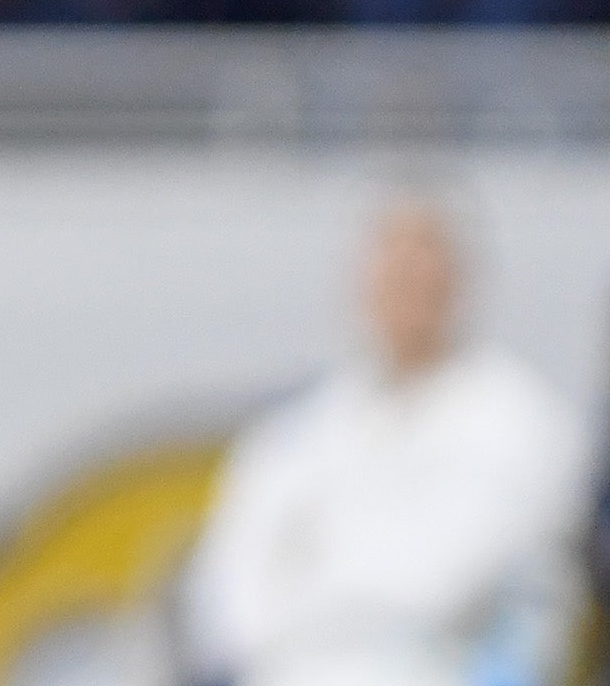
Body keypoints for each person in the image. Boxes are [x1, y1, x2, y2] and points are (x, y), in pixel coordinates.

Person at [187, 202, 584, 686]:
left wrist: (313, 572)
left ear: (459, 284)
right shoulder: (303, 426)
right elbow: (231, 590)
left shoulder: (522, 421)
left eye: (423, 275)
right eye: (394, 274)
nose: (407, 294)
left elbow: (435, 582)